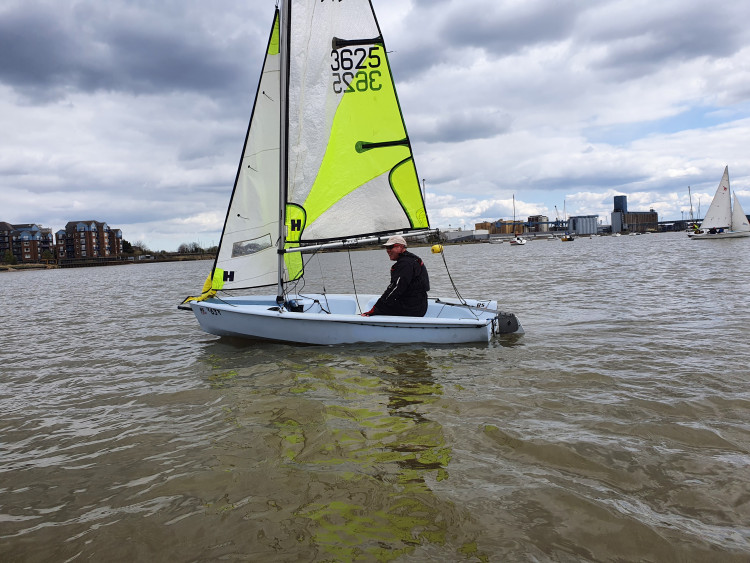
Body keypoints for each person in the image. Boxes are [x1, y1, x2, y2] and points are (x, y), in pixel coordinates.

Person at [362, 235, 430, 317]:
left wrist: (376, 308)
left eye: (390, 247)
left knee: (378, 309)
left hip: (412, 308)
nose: (388, 250)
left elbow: (396, 287)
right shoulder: (411, 259)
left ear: (401, 247)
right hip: (417, 305)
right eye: (386, 248)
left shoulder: (405, 264)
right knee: (383, 304)